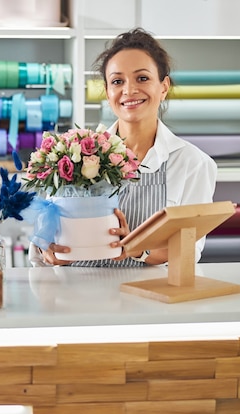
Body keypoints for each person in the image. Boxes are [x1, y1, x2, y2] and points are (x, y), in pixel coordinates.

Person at [30, 27, 217, 267]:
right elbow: (45, 235)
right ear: (108, 93)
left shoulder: (192, 163)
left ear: (163, 87)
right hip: (78, 297)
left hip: (150, 299)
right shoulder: (73, 154)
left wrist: (136, 249)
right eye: (117, 81)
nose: (129, 90)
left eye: (142, 78)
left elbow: (189, 249)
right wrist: (51, 251)